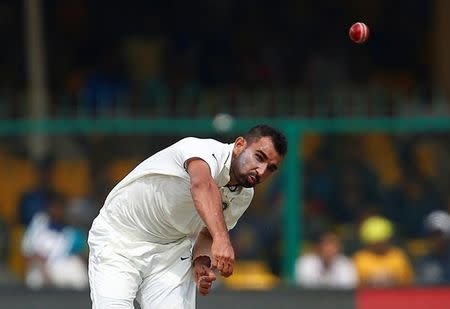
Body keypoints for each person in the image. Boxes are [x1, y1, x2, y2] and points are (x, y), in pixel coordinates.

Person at [88, 124, 287, 308]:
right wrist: (222, 238)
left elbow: (207, 234)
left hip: (171, 252)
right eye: (259, 157)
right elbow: (201, 185)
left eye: (271, 168)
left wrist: (201, 261)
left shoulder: (244, 195)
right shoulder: (203, 150)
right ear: (239, 145)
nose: (261, 171)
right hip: (120, 239)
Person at [21, 192, 88, 290]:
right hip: (41, 267)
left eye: (60, 208)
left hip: (62, 267)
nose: (57, 211)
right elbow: (27, 252)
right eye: (55, 207)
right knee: (35, 276)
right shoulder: (38, 224)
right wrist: (43, 266)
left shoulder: (72, 231)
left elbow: (82, 256)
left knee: (78, 272)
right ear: (48, 208)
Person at [353, 215, 414, 287]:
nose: (379, 246)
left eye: (382, 242)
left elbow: (407, 283)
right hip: (367, 297)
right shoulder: (360, 258)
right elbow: (355, 285)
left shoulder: (398, 256)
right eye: (375, 243)